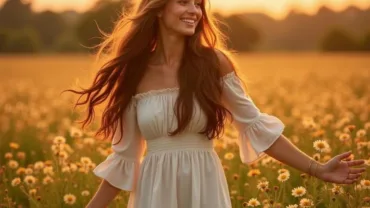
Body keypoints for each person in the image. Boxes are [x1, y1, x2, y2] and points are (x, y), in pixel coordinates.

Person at [65, 0, 366, 207]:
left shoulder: (214, 64)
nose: (194, 11)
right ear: (157, 9)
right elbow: (125, 161)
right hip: (154, 192)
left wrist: (318, 169)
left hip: (204, 185)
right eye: (183, 1)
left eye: (198, 4)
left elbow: (257, 128)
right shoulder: (133, 74)